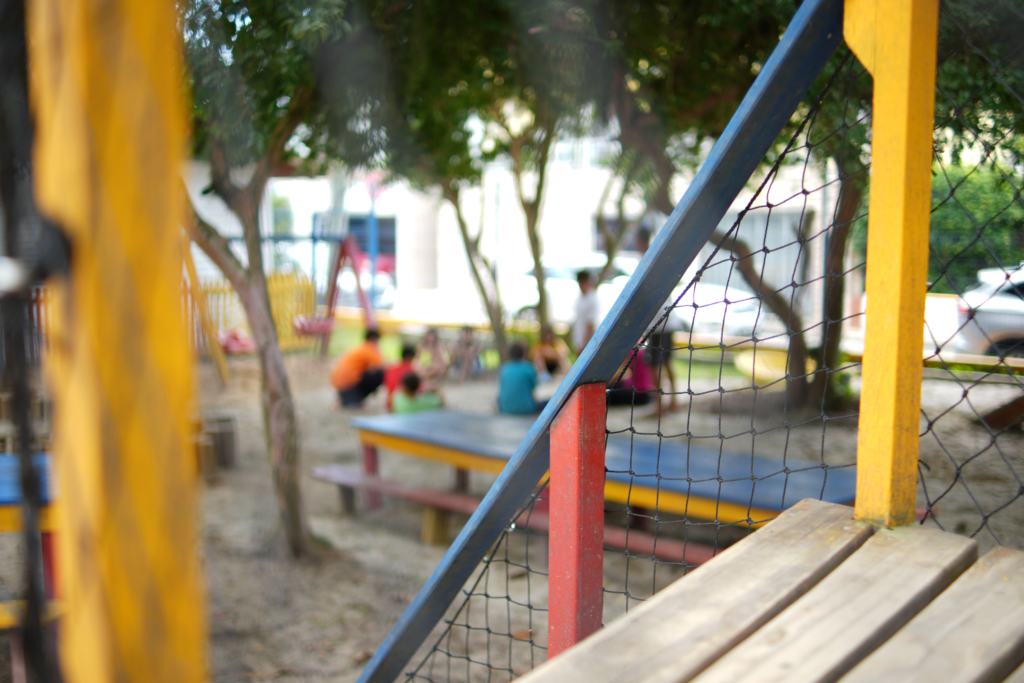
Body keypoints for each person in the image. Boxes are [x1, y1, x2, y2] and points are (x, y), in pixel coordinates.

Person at [635, 228, 681, 412]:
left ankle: (660, 404)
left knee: (656, 363)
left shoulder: (649, 261)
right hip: (664, 321)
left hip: (660, 322)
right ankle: (670, 402)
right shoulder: (654, 259)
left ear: (639, 241)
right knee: (665, 362)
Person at [330, 329, 385, 407]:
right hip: (348, 382)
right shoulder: (369, 347)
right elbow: (381, 366)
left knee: (370, 374)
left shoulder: (361, 347)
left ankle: (349, 398)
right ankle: (357, 399)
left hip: (339, 382)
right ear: (374, 339)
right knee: (381, 375)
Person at [498, 343, 546, 415]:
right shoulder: (529, 368)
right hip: (526, 409)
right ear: (523, 354)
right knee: (548, 402)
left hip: (506, 409)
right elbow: (533, 387)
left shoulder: (504, 369)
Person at [383, 344, 418, 411]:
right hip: (402, 407)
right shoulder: (411, 370)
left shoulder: (391, 369)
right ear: (410, 357)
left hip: (390, 406)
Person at [573, 270, 599, 354]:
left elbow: (590, 324)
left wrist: (584, 345)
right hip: (580, 340)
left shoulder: (591, 299)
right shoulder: (582, 296)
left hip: (586, 343)